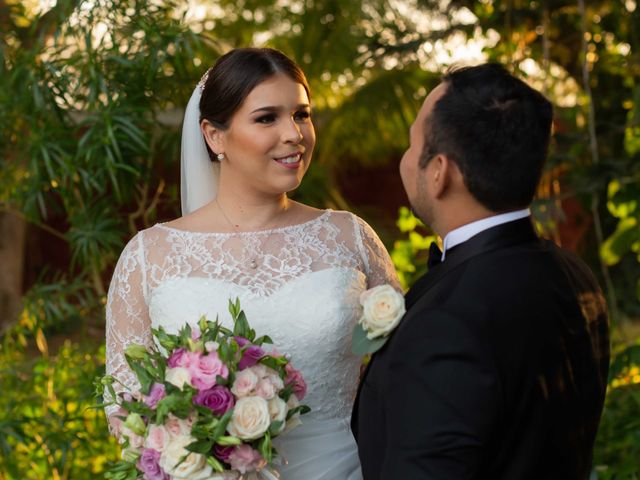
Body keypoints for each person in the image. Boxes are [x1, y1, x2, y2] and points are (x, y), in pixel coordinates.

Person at [105, 47, 399, 478]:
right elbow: (124, 407)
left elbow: (399, 372)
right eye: (267, 118)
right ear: (214, 136)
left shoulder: (349, 238)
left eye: (302, 114)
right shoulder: (149, 257)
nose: (294, 133)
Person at [352, 63, 610, 479]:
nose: (404, 158)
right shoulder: (576, 276)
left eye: (411, 143)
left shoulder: (447, 322)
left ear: (439, 172)